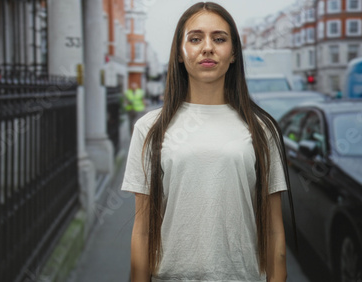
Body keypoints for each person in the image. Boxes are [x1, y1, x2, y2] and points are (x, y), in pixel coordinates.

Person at [121, 2, 294, 282]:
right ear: (180, 52)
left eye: (219, 38)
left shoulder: (262, 129)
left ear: (233, 52)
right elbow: (142, 229)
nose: (207, 47)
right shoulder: (150, 129)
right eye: (195, 38)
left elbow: (274, 228)